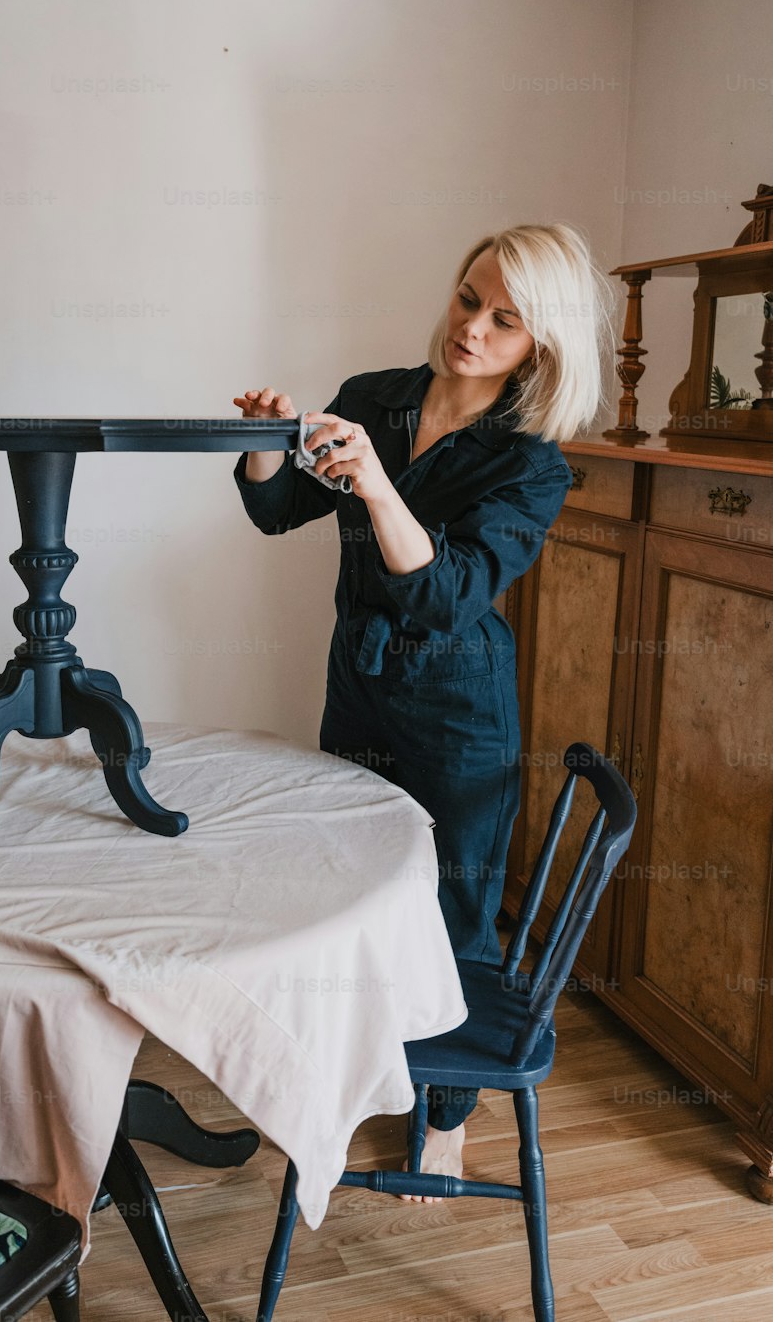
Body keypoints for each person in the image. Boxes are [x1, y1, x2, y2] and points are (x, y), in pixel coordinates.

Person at [231, 223, 614, 1198]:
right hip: (356, 679)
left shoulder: (531, 465)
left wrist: (372, 480)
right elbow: (277, 515)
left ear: (542, 343)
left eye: (504, 319)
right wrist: (267, 446)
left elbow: (443, 593)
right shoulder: (374, 399)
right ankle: (363, 1071)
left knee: (454, 910)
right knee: (349, 883)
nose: (472, 328)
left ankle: (443, 1115)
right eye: (466, 298)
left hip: (456, 706)